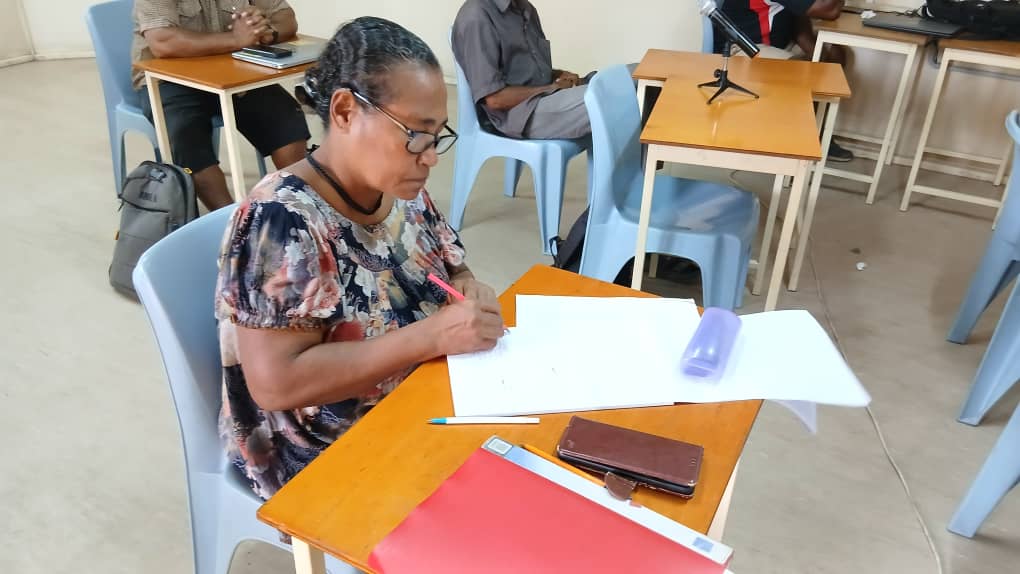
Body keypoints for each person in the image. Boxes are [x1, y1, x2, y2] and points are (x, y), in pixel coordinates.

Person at [213, 16, 506, 500]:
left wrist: (467, 288)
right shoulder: (281, 221)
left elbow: (453, 265)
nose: (430, 156)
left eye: (436, 136)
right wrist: (430, 336)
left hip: (417, 398)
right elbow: (276, 385)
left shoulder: (400, 187)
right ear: (346, 111)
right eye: (415, 134)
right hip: (320, 452)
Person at [132, 0, 311, 210]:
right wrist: (235, 39)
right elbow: (163, 42)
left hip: (233, 72)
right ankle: (228, 219)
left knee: (286, 116)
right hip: (169, 80)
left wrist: (266, 32)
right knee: (185, 137)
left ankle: (298, 206)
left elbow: (285, 17)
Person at [714, 0, 854, 161]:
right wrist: (814, 65)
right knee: (803, 71)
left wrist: (819, 55)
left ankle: (818, 131)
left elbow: (800, 14)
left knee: (836, 55)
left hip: (777, 45)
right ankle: (799, 139)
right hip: (742, 49)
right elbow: (828, 10)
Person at [452, 0, 591, 140]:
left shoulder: (525, 8)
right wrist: (552, 88)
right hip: (519, 115)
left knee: (599, 82)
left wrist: (558, 75)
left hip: (543, 98)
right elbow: (495, 99)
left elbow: (524, 71)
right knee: (599, 99)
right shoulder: (476, 16)